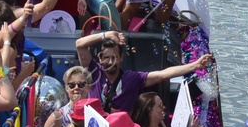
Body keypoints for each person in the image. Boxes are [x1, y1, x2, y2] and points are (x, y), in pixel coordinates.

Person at [75, 29, 214, 114]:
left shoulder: (131, 78)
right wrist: (108, 34)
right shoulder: (94, 72)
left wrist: (195, 65)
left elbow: (163, 74)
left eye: (115, 58)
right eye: (106, 58)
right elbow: (79, 45)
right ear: (100, 58)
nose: (111, 62)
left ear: (121, 58)